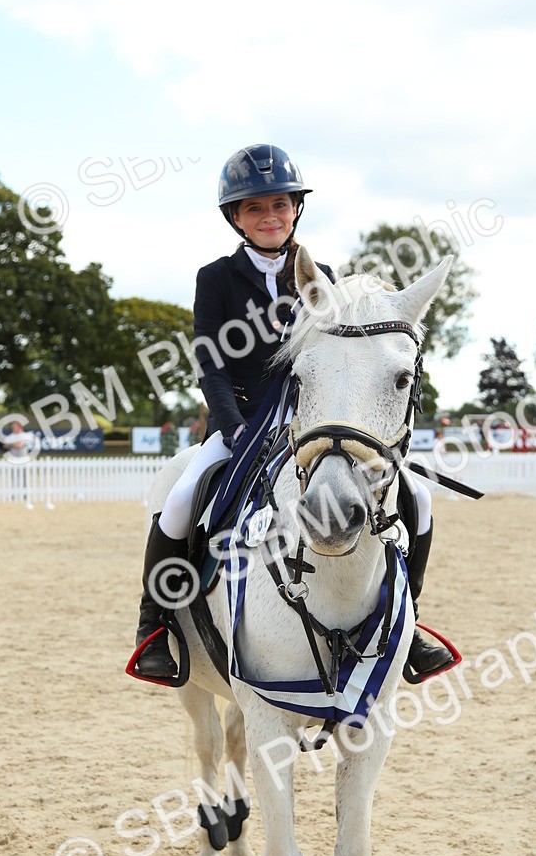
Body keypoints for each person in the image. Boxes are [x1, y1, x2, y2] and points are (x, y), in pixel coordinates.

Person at [133, 143, 451, 682]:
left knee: (415, 494)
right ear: (235, 217)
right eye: (254, 208)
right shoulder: (215, 279)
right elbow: (211, 364)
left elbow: (342, 360)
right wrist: (231, 426)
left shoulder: (319, 274)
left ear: (295, 209)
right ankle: (155, 625)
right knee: (183, 497)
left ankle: (411, 620)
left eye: (279, 205)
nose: (269, 217)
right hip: (237, 421)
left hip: (308, 421)